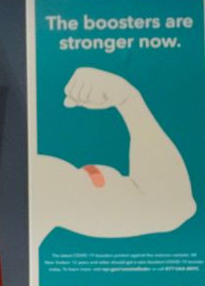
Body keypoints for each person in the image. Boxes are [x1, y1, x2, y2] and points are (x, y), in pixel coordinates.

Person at [32, 66, 196, 252]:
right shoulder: (42, 177)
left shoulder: (43, 177)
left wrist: (128, 100)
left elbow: (166, 205)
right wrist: (129, 102)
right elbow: (167, 206)